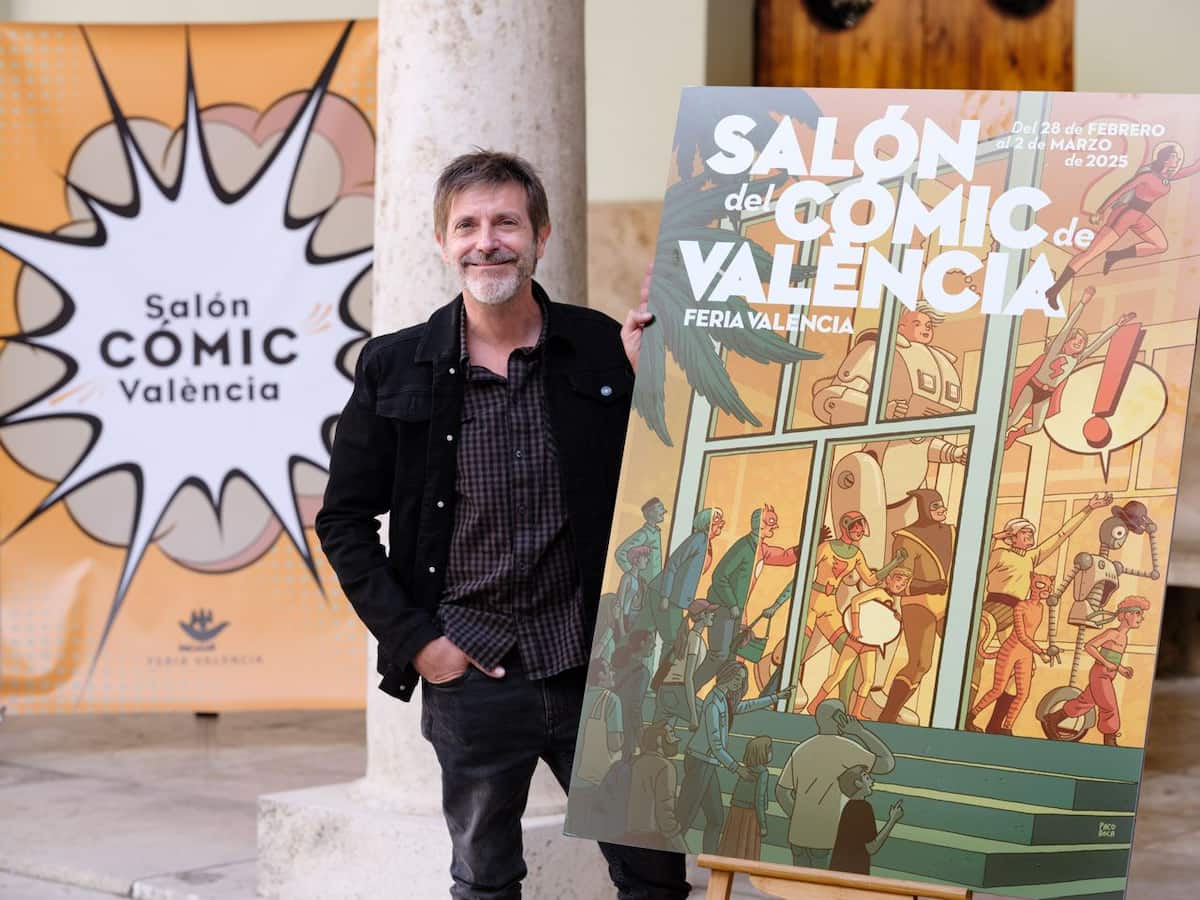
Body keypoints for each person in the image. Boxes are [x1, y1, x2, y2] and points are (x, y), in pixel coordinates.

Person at [315, 150, 687, 899]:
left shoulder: (600, 346)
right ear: (443, 242)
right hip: (473, 676)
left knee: (654, 880)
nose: (487, 242)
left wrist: (649, 384)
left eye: (507, 223)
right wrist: (420, 645)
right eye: (468, 226)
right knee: (485, 885)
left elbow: (663, 484)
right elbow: (344, 521)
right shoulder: (395, 366)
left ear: (541, 236)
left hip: (599, 667)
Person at [676, 663, 791, 853]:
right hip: (699, 761)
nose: (739, 682)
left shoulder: (725, 699)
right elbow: (715, 744)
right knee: (685, 816)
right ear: (726, 675)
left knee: (716, 818)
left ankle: (710, 858)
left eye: (742, 679)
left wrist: (776, 697)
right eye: (737, 677)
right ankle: (670, 853)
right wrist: (737, 768)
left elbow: (746, 705)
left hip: (708, 763)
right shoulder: (713, 703)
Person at [776, 698, 894, 869]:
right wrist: (860, 732)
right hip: (830, 837)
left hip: (799, 836)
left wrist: (799, 818)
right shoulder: (848, 749)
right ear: (839, 718)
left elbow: (781, 791)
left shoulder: (801, 750)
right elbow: (887, 763)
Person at [878, 489, 955, 724]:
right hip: (918, 604)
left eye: (941, 505)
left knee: (968, 656)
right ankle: (888, 716)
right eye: (935, 506)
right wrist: (930, 585)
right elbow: (898, 583)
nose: (941, 509)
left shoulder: (953, 532)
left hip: (949, 604)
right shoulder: (906, 538)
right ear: (924, 509)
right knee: (920, 663)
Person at [1042, 595, 1150, 746]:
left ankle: (1053, 719)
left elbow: (1111, 658)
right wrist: (1105, 663)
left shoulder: (1123, 637)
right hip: (1100, 675)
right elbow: (1089, 646)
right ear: (1126, 614)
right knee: (1109, 707)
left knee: (1084, 702)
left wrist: (1121, 669)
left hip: (1108, 675)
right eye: (1138, 613)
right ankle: (1109, 741)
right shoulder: (1112, 633)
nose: (1141, 618)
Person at [651, 598, 717, 730]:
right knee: (710, 719)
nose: (713, 615)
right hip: (676, 691)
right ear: (702, 615)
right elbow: (688, 678)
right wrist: (693, 715)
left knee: (657, 731)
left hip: (665, 690)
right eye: (710, 612)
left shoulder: (689, 637)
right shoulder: (694, 639)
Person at [829, 766, 904, 875]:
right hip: (854, 873)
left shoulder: (850, 807)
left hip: (840, 871)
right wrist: (893, 819)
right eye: (867, 778)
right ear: (858, 783)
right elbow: (872, 848)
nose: (872, 781)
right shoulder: (863, 808)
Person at [625, 722, 686, 852]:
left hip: (629, 833)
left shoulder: (635, 762)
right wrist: (683, 848)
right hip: (652, 837)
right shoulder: (665, 767)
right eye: (671, 737)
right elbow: (666, 815)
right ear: (659, 741)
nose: (675, 743)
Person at [715, 735, 773, 859]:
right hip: (751, 815)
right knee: (747, 846)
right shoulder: (763, 773)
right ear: (762, 753)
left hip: (736, 811)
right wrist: (763, 825)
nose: (771, 753)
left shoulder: (745, 770)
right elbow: (759, 799)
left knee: (732, 844)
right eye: (769, 749)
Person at [612, 629, 655, 761]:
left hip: (610, 722)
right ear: (642, 643)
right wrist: (641, 738)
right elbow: (635, 708)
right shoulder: (642, 672)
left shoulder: (617, 664)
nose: (654, 645)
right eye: (651, 641)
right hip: (626, 727)